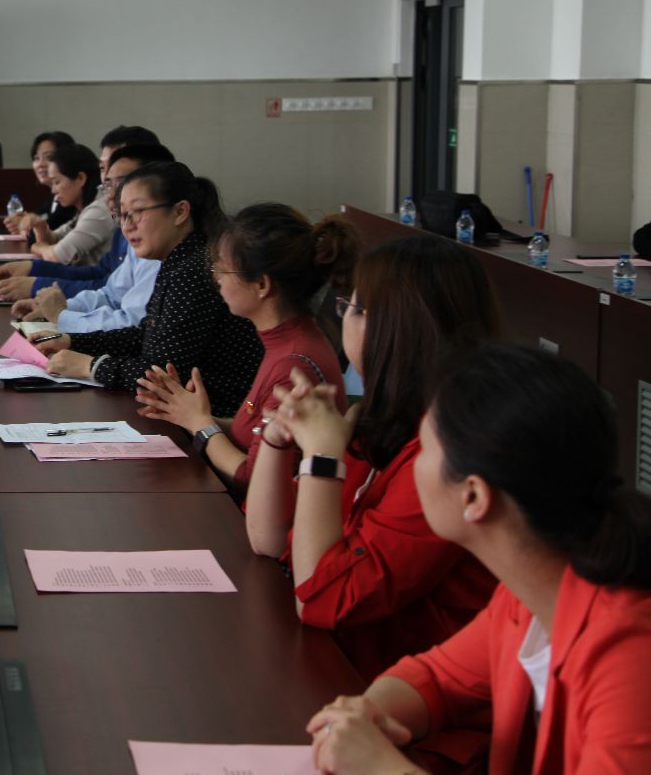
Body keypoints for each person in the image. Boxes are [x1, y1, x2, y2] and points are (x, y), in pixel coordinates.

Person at [306, 345, 651, 774]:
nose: (413, 464)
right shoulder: (528, 594)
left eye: (424, 448)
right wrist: (364, 716)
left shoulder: (629, 656)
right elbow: (438, 678)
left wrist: (378, 765)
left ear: (473, 496)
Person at [247, 233, 500, 681]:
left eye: (355, 308)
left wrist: (322, 457)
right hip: (353, 669)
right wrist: (277, 438)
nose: (345, 318)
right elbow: (269, 541)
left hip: (403, 691)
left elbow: (321, 600)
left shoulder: (451, 453)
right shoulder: (378, 417)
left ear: (400, 329)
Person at [135, 203, 357, 498]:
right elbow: (251, 434)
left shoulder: (294, 366)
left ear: (262, 284)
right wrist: (185, 411)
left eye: (223, 269)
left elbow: (254, 479)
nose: (216, 278)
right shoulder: (283, 341)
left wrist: (201, 424)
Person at [34, 161, 262, 418]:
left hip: (223, 416)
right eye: (122, 215)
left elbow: (161, 374)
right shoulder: (179, 259)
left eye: (137, 212)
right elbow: (148, 334)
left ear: (180, 212)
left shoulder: (193, 270)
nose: (127, 226)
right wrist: (74, 341)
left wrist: (91, 366)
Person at [9, 145, 172, 333]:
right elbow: (110, 294)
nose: (111, 195)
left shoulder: (158, 249)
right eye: (107, 183)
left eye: (122, 184)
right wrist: (60, 308)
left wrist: (60, 314)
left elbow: (133, 325)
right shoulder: (133, 232)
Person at [15, 143, 112, 266]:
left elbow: (58, 256)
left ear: (80, 178)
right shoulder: (85, 207)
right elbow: (56, 238)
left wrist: (39, 247)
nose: (53, 190)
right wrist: (40, 226)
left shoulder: (99, 210)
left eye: (57, 182)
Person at [4, 131, 74, 235]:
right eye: (36, 158)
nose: (40, 164)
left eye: (49, 157)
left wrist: (25, 227)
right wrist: (23, 220)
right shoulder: (54, 196)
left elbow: (50, 229)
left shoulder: (70, 196)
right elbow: (39, 216)